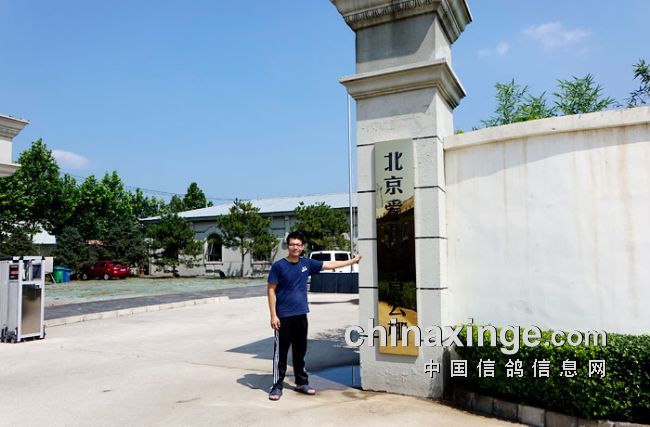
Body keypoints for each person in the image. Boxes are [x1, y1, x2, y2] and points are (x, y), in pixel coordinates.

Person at [267, 231, 362, 401]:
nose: (295, 247)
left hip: (301, 315)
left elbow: (329, 264)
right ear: (287, 246)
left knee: (300, 351)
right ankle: (276, 386)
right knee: (281, 353)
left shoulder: (307, 263)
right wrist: (273, 315)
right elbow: (271, 290)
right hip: (283, 316)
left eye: (298, 244)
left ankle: (301, 382)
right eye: (292, 244)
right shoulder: (279, 266)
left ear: (302, 247)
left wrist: (352, 261)